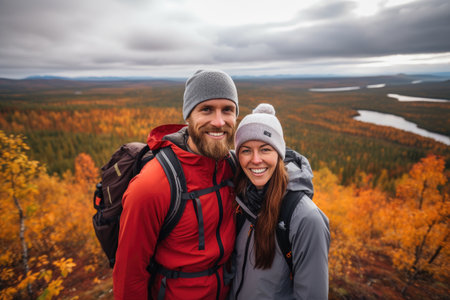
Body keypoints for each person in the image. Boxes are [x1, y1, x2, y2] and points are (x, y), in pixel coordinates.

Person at [113, 69, 239, 300]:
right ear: (188, 116)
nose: (219, 121)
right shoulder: (152, 186)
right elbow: (129, 276)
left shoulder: (231, 166)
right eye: (206, 109)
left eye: (227, 110)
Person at [229, 103, 330, 300]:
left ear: (279, 154)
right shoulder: (239, 199)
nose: (256, 160)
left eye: (265, 149)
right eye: (246, 150)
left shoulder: (306, 219)